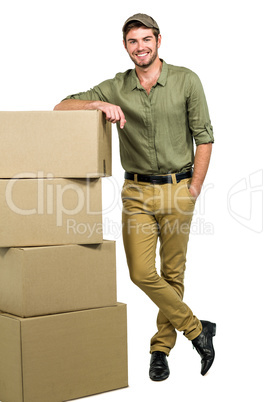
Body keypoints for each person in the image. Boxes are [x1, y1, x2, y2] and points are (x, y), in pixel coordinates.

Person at [54, 13, 216, 381]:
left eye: (146, 39)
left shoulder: (186, 80)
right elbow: (61, 106)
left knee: (173, 273)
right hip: (137, 193)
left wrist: (193, 190)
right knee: (142, 273)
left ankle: (160, 349)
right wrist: (98, 106)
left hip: (179, 188)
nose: (140, 47)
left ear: (159, 41)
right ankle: (196, 329)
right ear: (125, 46)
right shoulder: (116, 86)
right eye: (132, 41)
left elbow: (204, 137)